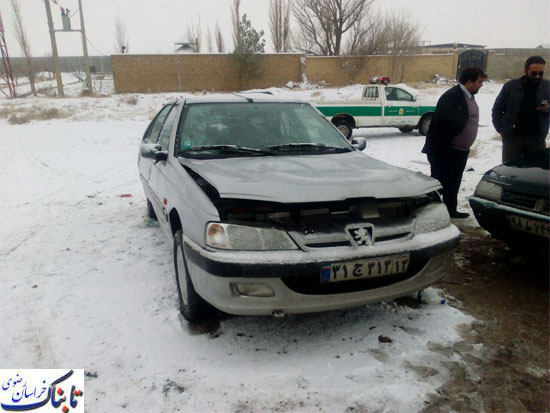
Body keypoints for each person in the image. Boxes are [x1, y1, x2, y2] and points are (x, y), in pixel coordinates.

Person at [422, 66, 486, 219]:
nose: (481, 85)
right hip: (446, 151)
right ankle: (432, 215)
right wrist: (448, 147)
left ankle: (450, 210)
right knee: (440, 183)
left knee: (454, 182)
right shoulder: (452, 96)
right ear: (469, 81)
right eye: (479, 82)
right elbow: (444, 124)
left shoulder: (468, 96)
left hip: (460, 150)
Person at [492, 56, 550, 163]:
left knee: (535, 173)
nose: (537, 76)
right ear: (525, 71)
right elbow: (497, 109)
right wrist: (501, 130)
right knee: (510, 171)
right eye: (534, 73)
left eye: (540, 73)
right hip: (513, 139)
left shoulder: (547, 87)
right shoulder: (511, 86)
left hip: (537, 140)